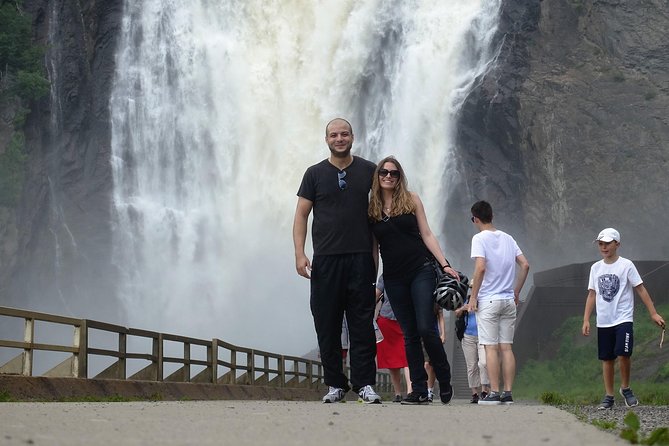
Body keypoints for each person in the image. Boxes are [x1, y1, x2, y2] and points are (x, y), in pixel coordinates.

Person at [292, 118, 381, 404]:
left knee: (362, 324)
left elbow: (384, 209)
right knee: (326, 323)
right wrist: (299, 253)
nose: (339, 138)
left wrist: (377, 255)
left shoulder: (370, 170)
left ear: (353, 136)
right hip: (325, 260)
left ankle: (364, 384)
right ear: (326, 139)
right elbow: (301, 214)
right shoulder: (314, 174)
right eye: (334, 135)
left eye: (344, 134)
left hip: (360, 257)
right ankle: (335, 384)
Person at [368, 155, 459, 405]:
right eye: (384, 172)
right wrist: (372, 281)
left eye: (394, 173)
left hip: (421, 270)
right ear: (377, 176)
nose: (388, 176)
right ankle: (418, 390)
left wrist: (445, 264)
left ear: (400, 177)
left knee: (425, 328)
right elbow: (374, 250)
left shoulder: (411, 199)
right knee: (408, 333)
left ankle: (443, 374)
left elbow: (427, 234)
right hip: (393, 278)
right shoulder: (372, 209)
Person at [581, 227, 666, 409]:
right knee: (607, 358)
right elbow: (591, 295)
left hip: (623, 318)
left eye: (607, 243)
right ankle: (609, 395)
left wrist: (653, 313)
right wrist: (586, 319)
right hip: (604, 320)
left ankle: (626, 388)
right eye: (601, 244)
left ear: (617, 244)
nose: (604, 247)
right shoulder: (595, 268)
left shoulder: (626, 265)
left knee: (624, 353)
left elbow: (640, 289)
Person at [469, 200, 530, 405]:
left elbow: (480, 268)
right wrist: (516, 291)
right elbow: (525, 265)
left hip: (489, 300)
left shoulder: (479, 238)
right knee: (507, 348)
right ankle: (508, 392)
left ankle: (494, 392)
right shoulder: (508, 238)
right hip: (507, 300)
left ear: (475, 219)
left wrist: (473, 297)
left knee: (491, 348)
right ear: (492, 216)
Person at [375, 275, 411, 402]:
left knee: (407, 357)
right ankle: (399, 393)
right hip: (388, 320)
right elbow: (377, 294)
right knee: (393, 359)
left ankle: (409, 391)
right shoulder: (385, 276)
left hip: (401, 319)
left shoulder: (412, 272)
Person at [455, 298, 491, 403]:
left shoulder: (486, 300)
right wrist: (463, 308)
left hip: (482, 335)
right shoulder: (466, 300)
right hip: (468, 337)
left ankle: (484, 390)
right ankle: (474, 393)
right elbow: (456, 313)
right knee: (471, 365)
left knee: (483, 363)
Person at [423, 303, 445, 402]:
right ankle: (420, 389)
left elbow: (441, 316)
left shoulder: (436, 300)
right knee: (423, 364)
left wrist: (443, 334)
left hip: (433, 334)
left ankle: (429, 390)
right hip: (419, 334)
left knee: (430, 364)